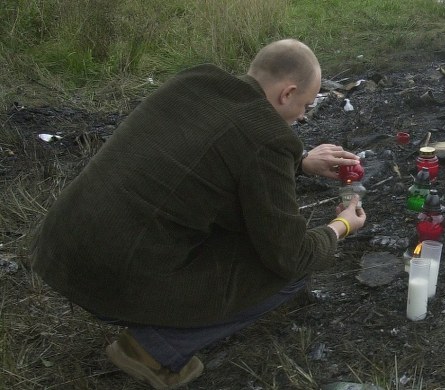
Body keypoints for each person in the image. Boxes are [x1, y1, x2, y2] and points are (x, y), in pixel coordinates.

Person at [29, 39, 366, 389]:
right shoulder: (268, 136)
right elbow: (291, 254)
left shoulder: (197, 82)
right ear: (287, 92)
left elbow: (216, 152)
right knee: (293, 266)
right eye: (305, 105)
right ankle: (151, 349)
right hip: (108, 276)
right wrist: (340, 226)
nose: (302, 116)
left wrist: (301, 163)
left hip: (60, 248)